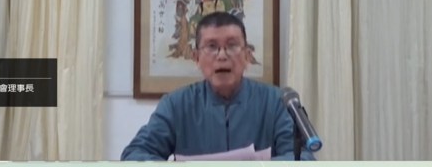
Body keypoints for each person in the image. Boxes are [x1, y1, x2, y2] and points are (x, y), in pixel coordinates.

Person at [121, 12, 315, 161]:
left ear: (247, 55)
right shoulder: (176, 105)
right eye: (212, 46)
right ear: (196, 58)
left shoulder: (275, 102)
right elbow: (134, 155)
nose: (222, 55)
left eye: (232, 45)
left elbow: (303, 158)